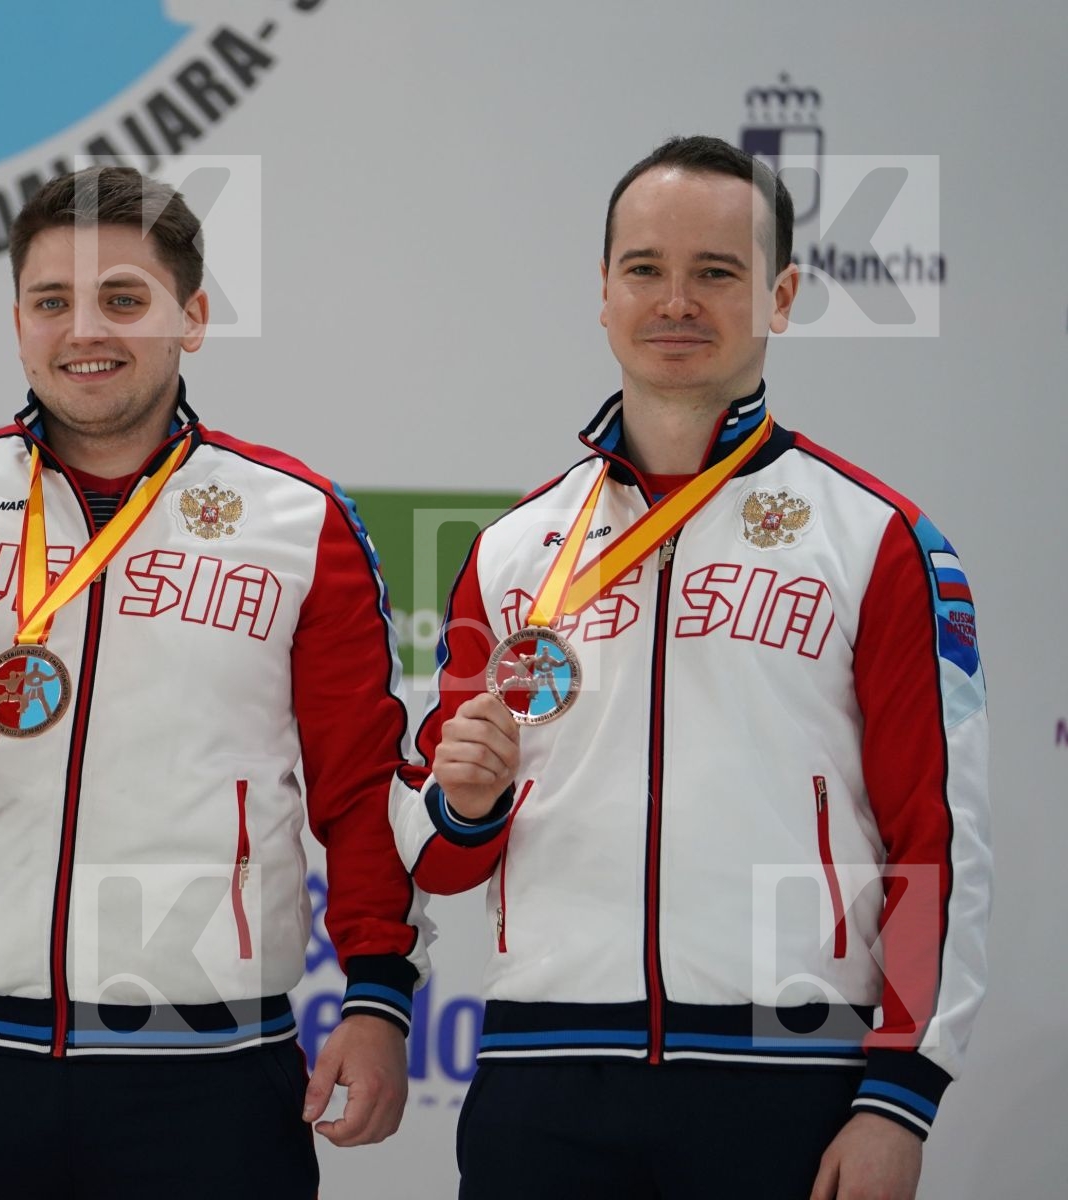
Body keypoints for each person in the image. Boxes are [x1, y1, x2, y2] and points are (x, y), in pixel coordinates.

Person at [0, 165, 424, 1198]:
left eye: (125, 299)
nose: (86, 330)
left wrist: (379, 997)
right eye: (52, 302)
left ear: (192, 315)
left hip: (210, 1074)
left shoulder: (299, 522)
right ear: (19, 320)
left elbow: (358, 792)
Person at [392, 135, 991, 1200]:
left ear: (783, 294)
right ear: (605, 292)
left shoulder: (877, 539)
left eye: (717, 272)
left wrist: (901, 1091)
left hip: (788, 1075)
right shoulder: (513, 548)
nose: (677, 301)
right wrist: (467, 804)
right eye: (646, 270)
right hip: (544, 1079)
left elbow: (931, 835)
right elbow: (439, 859)